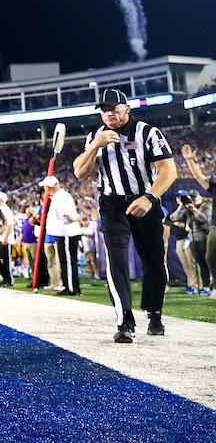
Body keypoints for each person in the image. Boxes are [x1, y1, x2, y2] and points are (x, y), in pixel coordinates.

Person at [73, 88, 178, 343]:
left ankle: (154, 313)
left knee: (154, 260)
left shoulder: (147, 132)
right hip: (112, 203)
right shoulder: (95, 136)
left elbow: (169, 170)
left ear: (127, 109)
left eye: (114, 109)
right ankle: (124, 321)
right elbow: (80, 172)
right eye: (104, 110)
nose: (109, 114)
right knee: (116, 259)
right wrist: (95, 145)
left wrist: (150, 198)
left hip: (145, 200)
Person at [179, 144, 215, 295]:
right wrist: (189, 161)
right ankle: (212, 286)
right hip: (212, 228)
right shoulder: (214, 186)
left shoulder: (205, 206)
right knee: (208, 258)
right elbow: (200, 178)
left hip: (206, 231)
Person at [41, 176, 82, 295]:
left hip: (66, 233)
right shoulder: (60, 196)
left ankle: (71, 288)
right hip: (64, 233)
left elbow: (68, 216)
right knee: (65, 261)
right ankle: (70, 286)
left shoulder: (61, 197)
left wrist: (76, 219)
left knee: (68, 262)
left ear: (48, 187)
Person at [0, 191, 16, 288]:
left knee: (6, 260)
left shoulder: (6, 210)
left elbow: (10, 225)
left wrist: (6, 238)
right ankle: (4, 277)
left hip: (5, 239)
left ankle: (9, 280)